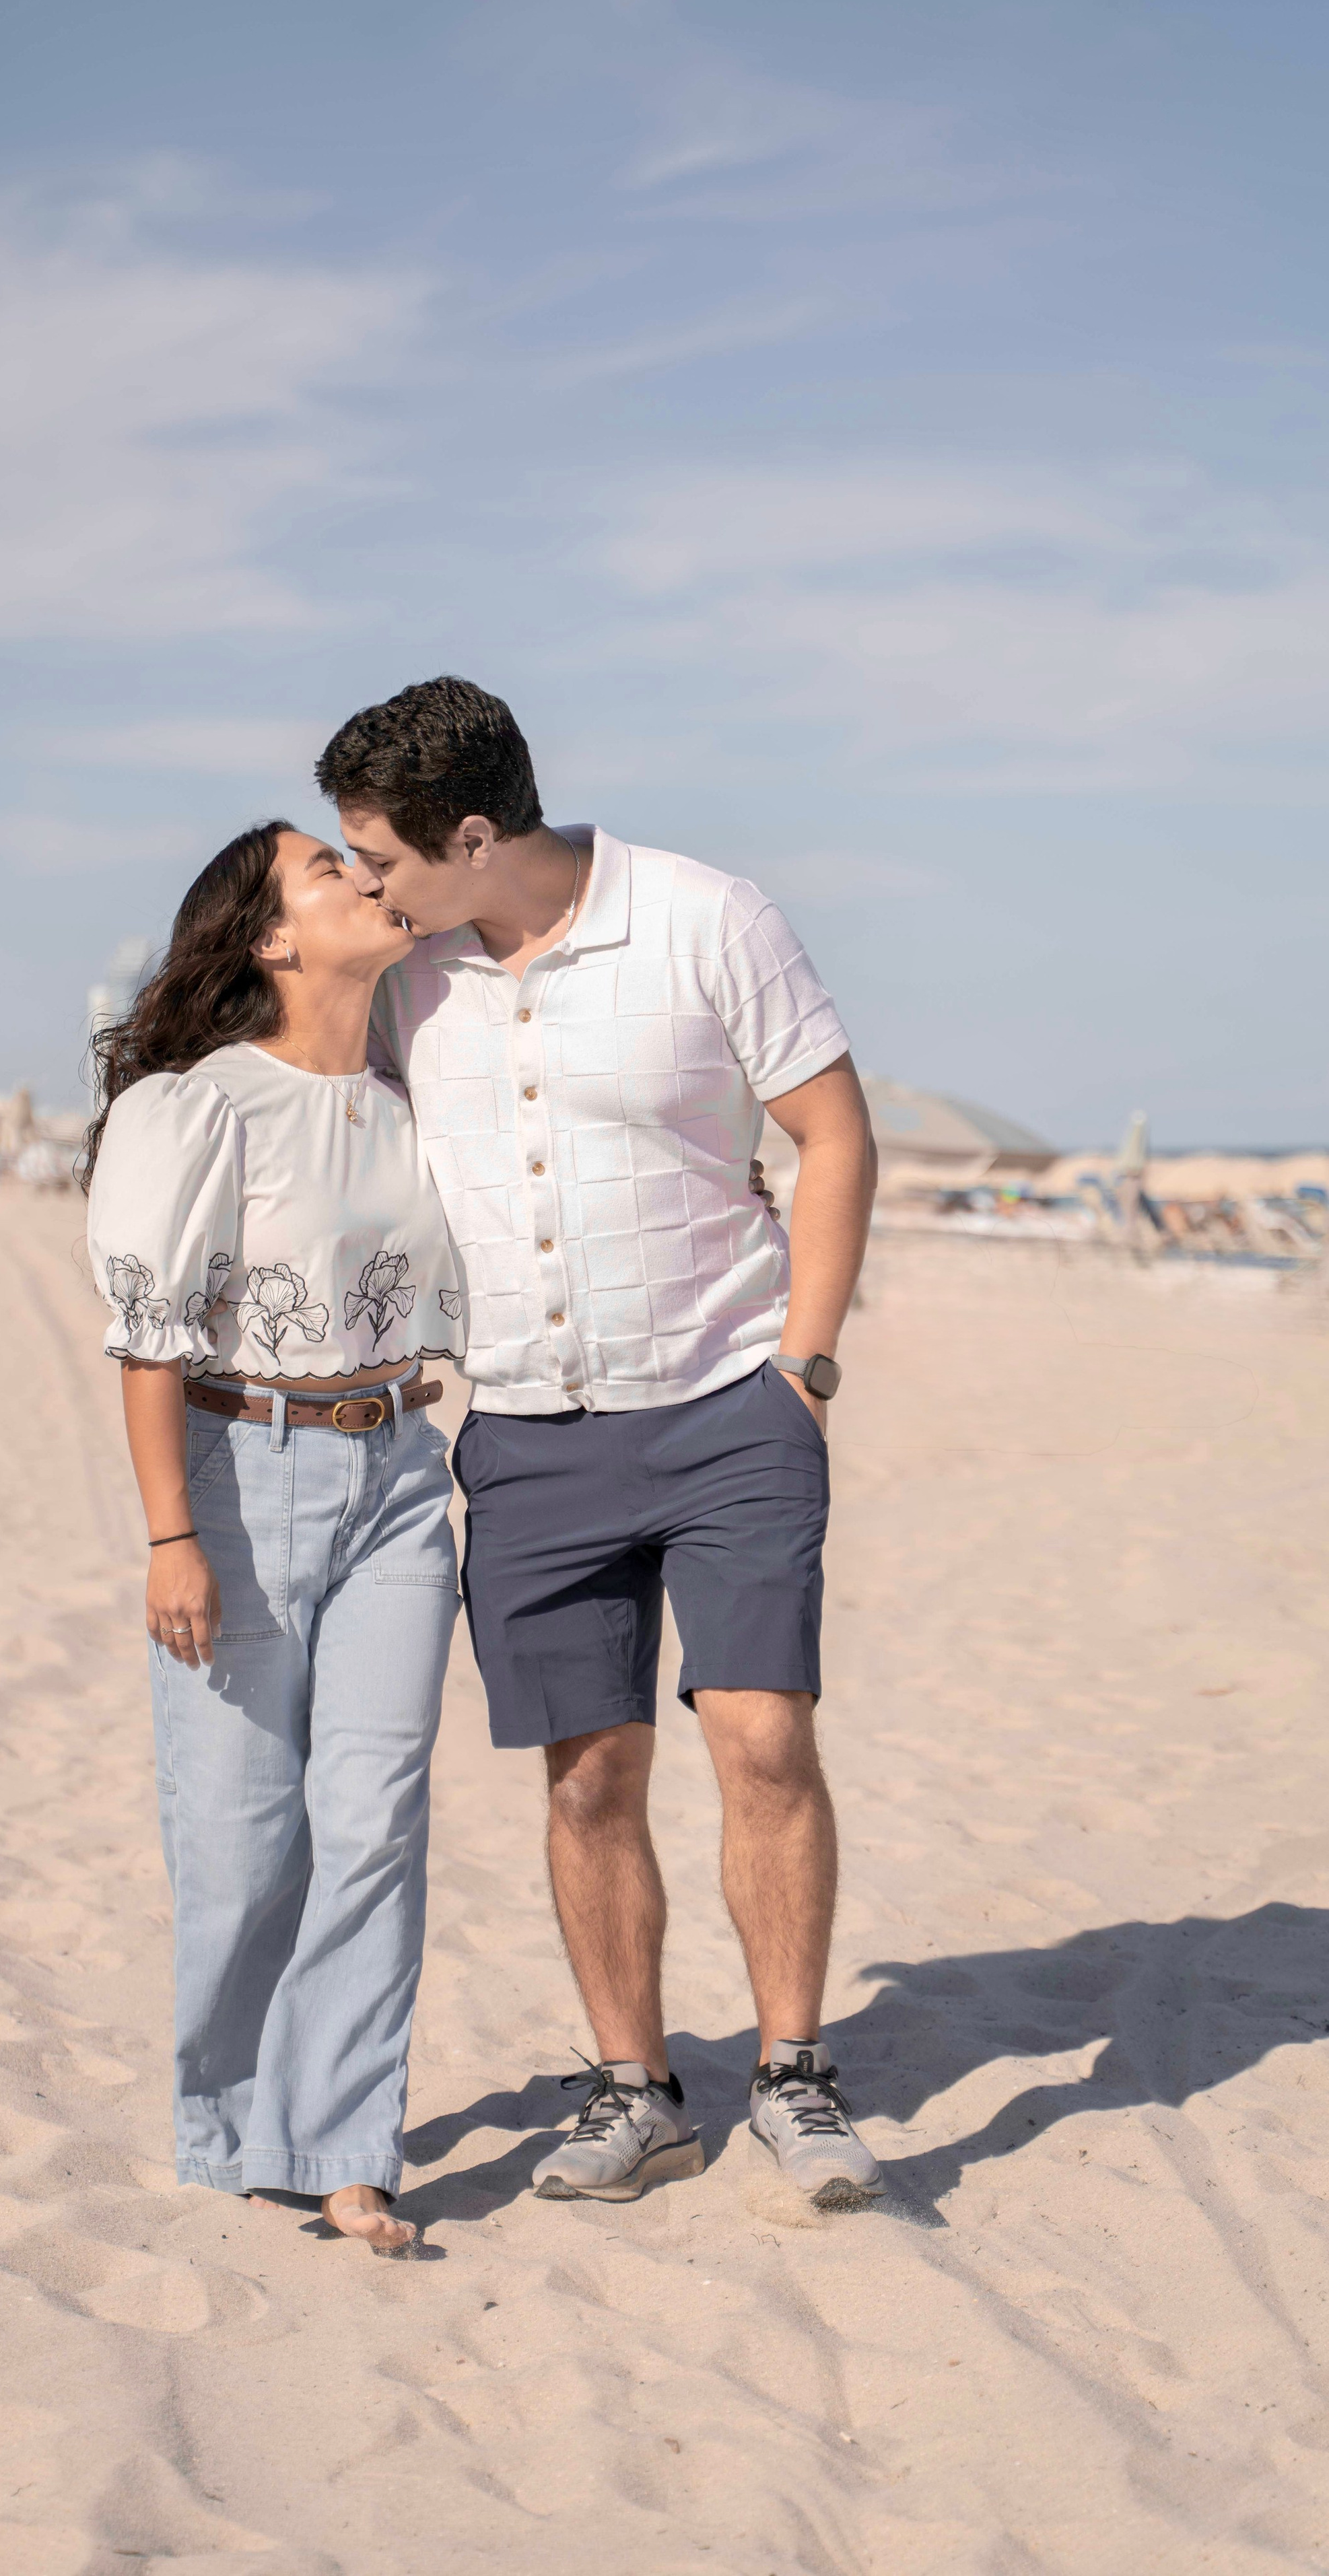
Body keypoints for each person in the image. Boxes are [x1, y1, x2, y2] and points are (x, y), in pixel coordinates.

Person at [315, 678, 883, 2211]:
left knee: (761, 1735)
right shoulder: (407, 977)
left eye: (381, 856)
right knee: (586, 1777)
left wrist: (804, 1367)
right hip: (526, 1431)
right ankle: (637, 2088)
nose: (366, 882)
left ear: (475, 834)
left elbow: (832, 1131)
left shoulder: (709, 918)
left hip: (725, 1403)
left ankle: (792, 2073)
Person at [81, 820, 465, 2254]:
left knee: (371, 1823)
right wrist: (169, 1532)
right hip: (235, 1476)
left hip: (397, 1482)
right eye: (327, 870)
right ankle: (240, 2127)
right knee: (240, 1842)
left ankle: (345, 2145)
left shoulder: (424, 1095)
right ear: (269, 939)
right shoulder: (200, 1106)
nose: (370, 879)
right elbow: (145, 1338)